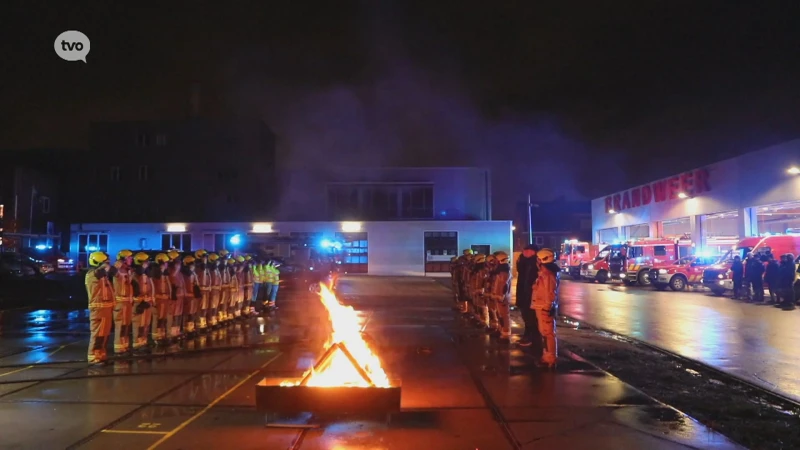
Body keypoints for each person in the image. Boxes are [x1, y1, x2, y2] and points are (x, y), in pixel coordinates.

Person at [532, 248, 560, 368]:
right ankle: (547, 356)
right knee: (544, 332)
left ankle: (550, 358)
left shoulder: (547, 274)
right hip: (541, 305)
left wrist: (547, 306)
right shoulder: (545, 273)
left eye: (538, 259)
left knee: (548, 333)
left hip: (544, 306)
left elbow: (550, 292)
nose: (537, 262)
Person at [86, 251, 114, 363]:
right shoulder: (92, 274)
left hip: (105, 309)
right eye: (105, 262)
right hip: (98, 309)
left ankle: (101, 355)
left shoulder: (102, 276)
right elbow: (99, 272)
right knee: (98, 334)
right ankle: (93, 357)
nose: (108, 265)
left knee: (104, 334)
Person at [109, 249, 134, 354]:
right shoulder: (118, 270)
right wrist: (119, 262)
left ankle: (124, 345)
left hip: (127, 302)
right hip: (120, 302)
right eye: (129, 257)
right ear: (124, 259)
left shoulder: (127, 270)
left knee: (126, 325)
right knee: (121, 325)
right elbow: (111, 271)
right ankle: (119, 347)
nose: (131, 259)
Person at [515, 244, 539, 347]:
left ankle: (532, 339)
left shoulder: (536, 263)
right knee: (526, 315)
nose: (524, 252)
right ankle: (528, 335)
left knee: (531, 317)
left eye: (526, 250)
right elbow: (521, 273)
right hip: (524, 292)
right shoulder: (525, 262)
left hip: (531, 294)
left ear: (533, 251)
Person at [131, 252, 155, 352]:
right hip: (138, 304)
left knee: (146, 324)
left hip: (146, 303)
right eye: (145, 262)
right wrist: (140, 301)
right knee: (138, 324)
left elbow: (150, 288)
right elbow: (134, 291)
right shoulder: (134, 275)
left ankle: (143, 342)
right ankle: (137, 344)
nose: (147, 264)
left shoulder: (146, 275)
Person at [487, 251, 512, 342]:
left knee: (504, 315)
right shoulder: (499, 270)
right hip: (498, 296)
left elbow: (504, 286)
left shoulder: (504, 272)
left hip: (502, 298)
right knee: (499, 314)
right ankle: (500, 330)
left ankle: (505, 334)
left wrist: (501, 296)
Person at [151, 253, 172, 343]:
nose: (167, 264)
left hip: (165, 299)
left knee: (163, 318)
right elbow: (153, 288)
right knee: (157, 318)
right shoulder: (155, 275)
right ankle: (156, 337)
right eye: (166, 263)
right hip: (158, 300)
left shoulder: (165, 274)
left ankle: (162, 335)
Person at [167, 251, 185, 339]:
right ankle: (173, 332)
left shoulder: (180, 273)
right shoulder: (170, 272)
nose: (179, 264)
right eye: (178, 262)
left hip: (180, 297)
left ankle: (177, 330)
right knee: (174, 314)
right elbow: (172, 281)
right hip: (174, 298)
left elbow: (183, 284)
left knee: (179, 314)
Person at [181, 256, 201, 334]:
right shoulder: (185, 275)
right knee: (187, 313)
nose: (193, 266)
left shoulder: (193, 273)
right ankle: (186, 329)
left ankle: (191, 328)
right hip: (188, 296)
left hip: (193, 296)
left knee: (192, 312)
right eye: (191, 265)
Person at [194, 250, 211, 333]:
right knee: (199, 308)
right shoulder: (197, 267)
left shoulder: (205, 266)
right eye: (204, 257)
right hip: (201, 291)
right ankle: (198, 326)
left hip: (206, 291)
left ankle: (203, 324)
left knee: (205, 308)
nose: (206, 259)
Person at [208, 253, 222, 327]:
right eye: (217, 261)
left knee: (215, 305)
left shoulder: (217, 269)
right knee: (211, 306)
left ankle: (214, 320)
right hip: (212, 290)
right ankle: (210, 320)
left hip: (217, 290)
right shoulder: (211, 270)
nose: (218, 262)